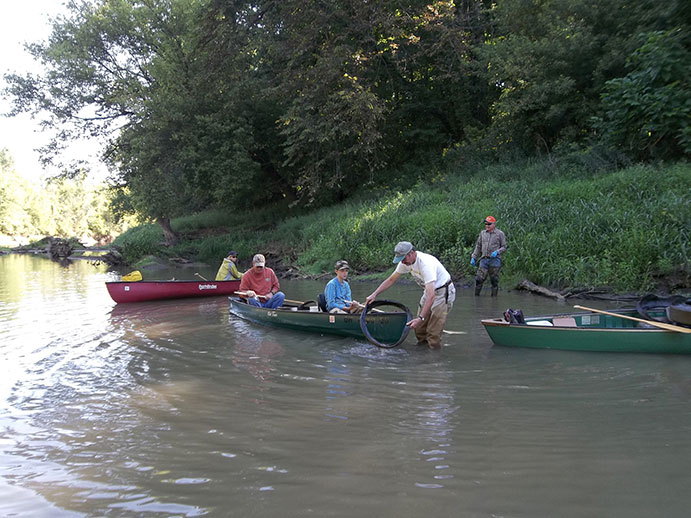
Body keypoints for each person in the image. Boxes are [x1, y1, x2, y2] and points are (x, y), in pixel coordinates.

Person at [365, 241, 455, 349]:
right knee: (420, 329)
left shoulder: (426, 264)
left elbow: (432, 296)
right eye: (400, 260)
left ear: (411, 253)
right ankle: (422, 352)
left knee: (433, 331)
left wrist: (420, 318)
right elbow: (391, 279)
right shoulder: (405, 263)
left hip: (442, 292)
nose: (402, 262)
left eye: (404, 259)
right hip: (428, 291)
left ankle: (434, 359)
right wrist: (374, 294)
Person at [470, 216, 507, 296]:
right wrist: (474, 257)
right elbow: (478, 246)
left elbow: (504, 247)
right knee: (479, 279)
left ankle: (494, 300)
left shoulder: (500, 234)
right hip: (484, 260)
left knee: (494, 281)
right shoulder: (482, 233)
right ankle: (476, 297)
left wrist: (497, 252)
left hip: (495, 260)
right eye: (486, 223)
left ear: (494, 224)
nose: (487, 225)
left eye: (489, 224)